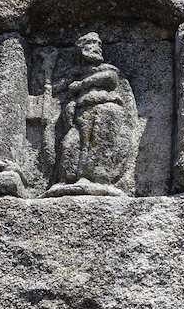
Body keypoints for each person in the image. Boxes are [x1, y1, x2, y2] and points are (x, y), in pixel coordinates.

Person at [50, 32, 137, 196]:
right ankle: (68, 179)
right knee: (70, 143)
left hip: (105, 110)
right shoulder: (74, 74)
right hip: (81, 113)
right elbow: (61, 91)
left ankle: (97, 179)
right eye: (91, 44)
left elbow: (109, 78)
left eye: (98, 45)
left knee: (99, 141)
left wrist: (83, 83)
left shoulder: (107, 70)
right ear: (81, 49)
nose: (97, 48)